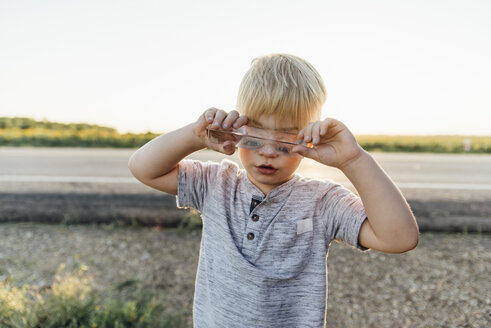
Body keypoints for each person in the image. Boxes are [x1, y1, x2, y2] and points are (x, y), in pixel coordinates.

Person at [128, 53, 419, 328]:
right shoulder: (214, 184)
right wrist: (194, 136)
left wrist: (354, 161)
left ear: (309, 138)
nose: (268, 152)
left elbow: (399, 238)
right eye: (254, 136)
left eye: (285, 141)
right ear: (237, 130)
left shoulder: (323, 202)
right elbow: (143, 167)